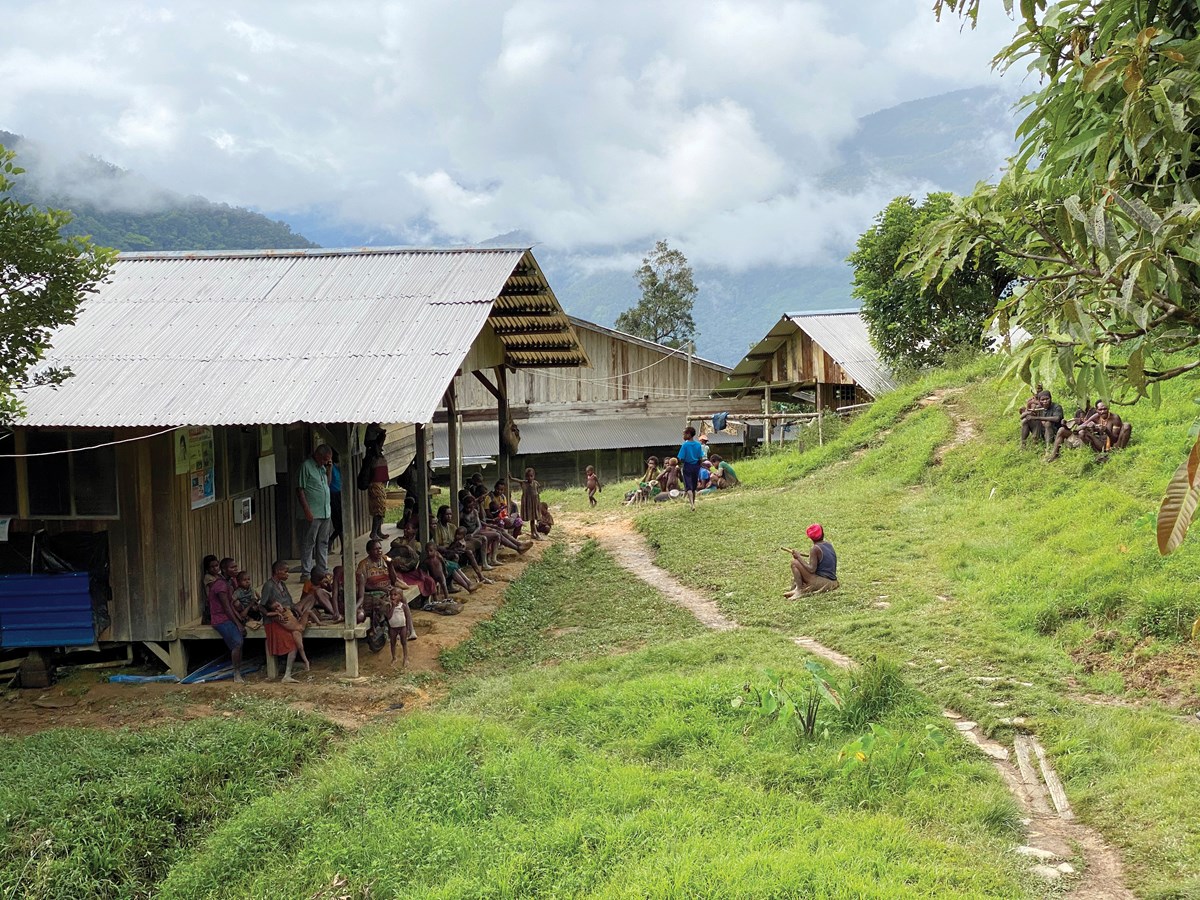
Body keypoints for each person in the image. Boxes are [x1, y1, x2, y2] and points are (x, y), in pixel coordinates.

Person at [261, 561, 305, 682]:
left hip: (287, 615)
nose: (287, 575)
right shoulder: (268, 586)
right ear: (277, 571)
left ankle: (288, 672)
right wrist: (273, 614)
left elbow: (290, 602)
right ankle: (287, 675)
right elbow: (261, 606)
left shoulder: (282, 584)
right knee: (292, 642)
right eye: (285, 572)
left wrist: (296, 612)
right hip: (274, 621)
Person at [297, 443, 333, 582]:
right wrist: (307, 510)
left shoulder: (322, 467)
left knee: (323, 542)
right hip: (313, 512)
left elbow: (327, 484)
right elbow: (300, 490)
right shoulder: (306, 467)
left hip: (325, 511)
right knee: (309, 542)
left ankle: (322, 570)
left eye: (328, 460)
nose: (326, 462)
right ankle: (306, 573)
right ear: (317, 455)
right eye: (324, 459)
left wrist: (328, 469)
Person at [208, 557, 246, 683]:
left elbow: (231, 605)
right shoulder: (220, 585)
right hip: (220, 618)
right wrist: (238, 624)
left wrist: (240, 618)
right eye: (232, 567)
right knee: (237, 642)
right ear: (224, 570)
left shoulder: (228, 582)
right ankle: (236, 673)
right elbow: (226, 607)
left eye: (236, 567)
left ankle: (238, 670)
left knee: (239, 639)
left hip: (227, 616)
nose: (236, 569)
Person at [785, 524, 839, 597]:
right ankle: (797, 589)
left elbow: (811, 569)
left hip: (823, 582)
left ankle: (799, 590)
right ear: (823, 533)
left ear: (811, 538)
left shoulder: (815, 549)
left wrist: (798, 557)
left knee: (794, 563)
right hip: (832, 580)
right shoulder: (828, 544)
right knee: (798, 563)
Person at [365, 429, 389, 540]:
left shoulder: (378, 452)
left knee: (382, 508)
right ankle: (374, 532)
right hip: (375, 484)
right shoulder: (372, 452)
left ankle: (378, 530)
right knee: (378, 509)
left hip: (380, 483)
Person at [678, 427, 705, 510]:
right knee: (693, 486)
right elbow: (701, 457)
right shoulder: (698, 445)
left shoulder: (685, 445)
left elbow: (680, 458)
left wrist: (682, 462)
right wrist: (699, 465)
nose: (683, 436)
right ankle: (694, 503)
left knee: (688, 486)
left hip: (687, 466)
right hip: (696, 466)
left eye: (684, 434)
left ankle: (692, 505)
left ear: (689, 434)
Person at [515, 468, 543, 540]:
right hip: (528, 503)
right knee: (532, 518)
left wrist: (537, 503)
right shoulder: (524, 483)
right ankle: (535, 533)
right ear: (525, 476)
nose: (529, 478)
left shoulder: (536, 483)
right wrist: (511, 477)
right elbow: (517, 480)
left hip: (534, 503)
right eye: (528, 476)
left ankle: (533, 533)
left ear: (534, 476)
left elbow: (537, 493)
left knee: (533, 518)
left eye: (531, 476)